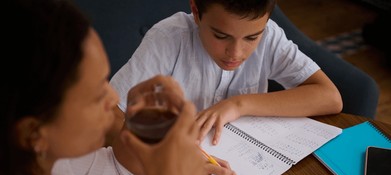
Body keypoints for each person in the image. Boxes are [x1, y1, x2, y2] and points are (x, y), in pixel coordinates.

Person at [0, 0, 203, 175]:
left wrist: (139, 123)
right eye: (97, 95)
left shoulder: (47, 159)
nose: (114, 97)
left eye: (105, 80)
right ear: (33, 133)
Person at [110, 0, 343, 146]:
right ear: (196, 12)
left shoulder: (270, 36)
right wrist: (164, 161)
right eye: (221, 36)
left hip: (243, 165)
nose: (236, 53)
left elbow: (330, 97)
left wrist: (238, 105)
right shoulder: (168, 40)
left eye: (252, 38)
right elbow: (111, 118)